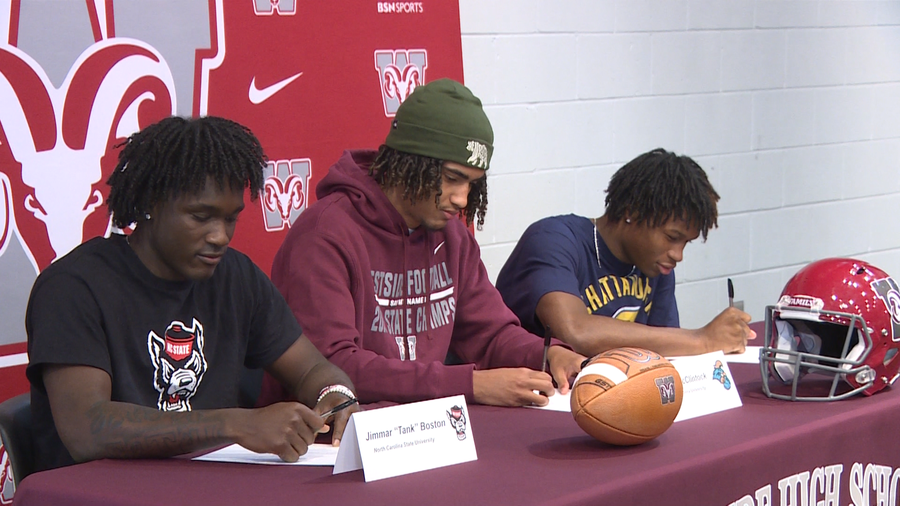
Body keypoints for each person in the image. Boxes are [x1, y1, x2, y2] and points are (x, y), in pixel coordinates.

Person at [25, 116, 358, 472]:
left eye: (231, 219)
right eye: (201, 217)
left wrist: (333, 395)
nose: (220, 236)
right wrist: (237, 424)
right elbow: (87, 429)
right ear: (150, 202)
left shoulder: (237, 276)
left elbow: (311, 370)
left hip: (212, 488)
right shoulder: (73, 287)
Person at [269, 79, 585, 407]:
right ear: (411, 164)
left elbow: (490, 335)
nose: (463, 198)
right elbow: (330, 367)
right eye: (451, 178)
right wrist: (468, 385)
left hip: (425, 432)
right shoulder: (324, 235)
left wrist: (549, 355)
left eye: (472, 184)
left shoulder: (452, 236)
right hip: (329, 442)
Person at [496, 148, 756, 358]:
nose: (678, 255)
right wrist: (702, 338)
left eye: (686, 243)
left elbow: (665, 350)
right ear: (631, 212)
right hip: (530, 405)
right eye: (671, 238)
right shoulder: (554, 240)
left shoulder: (656, 265)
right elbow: (575, 332)